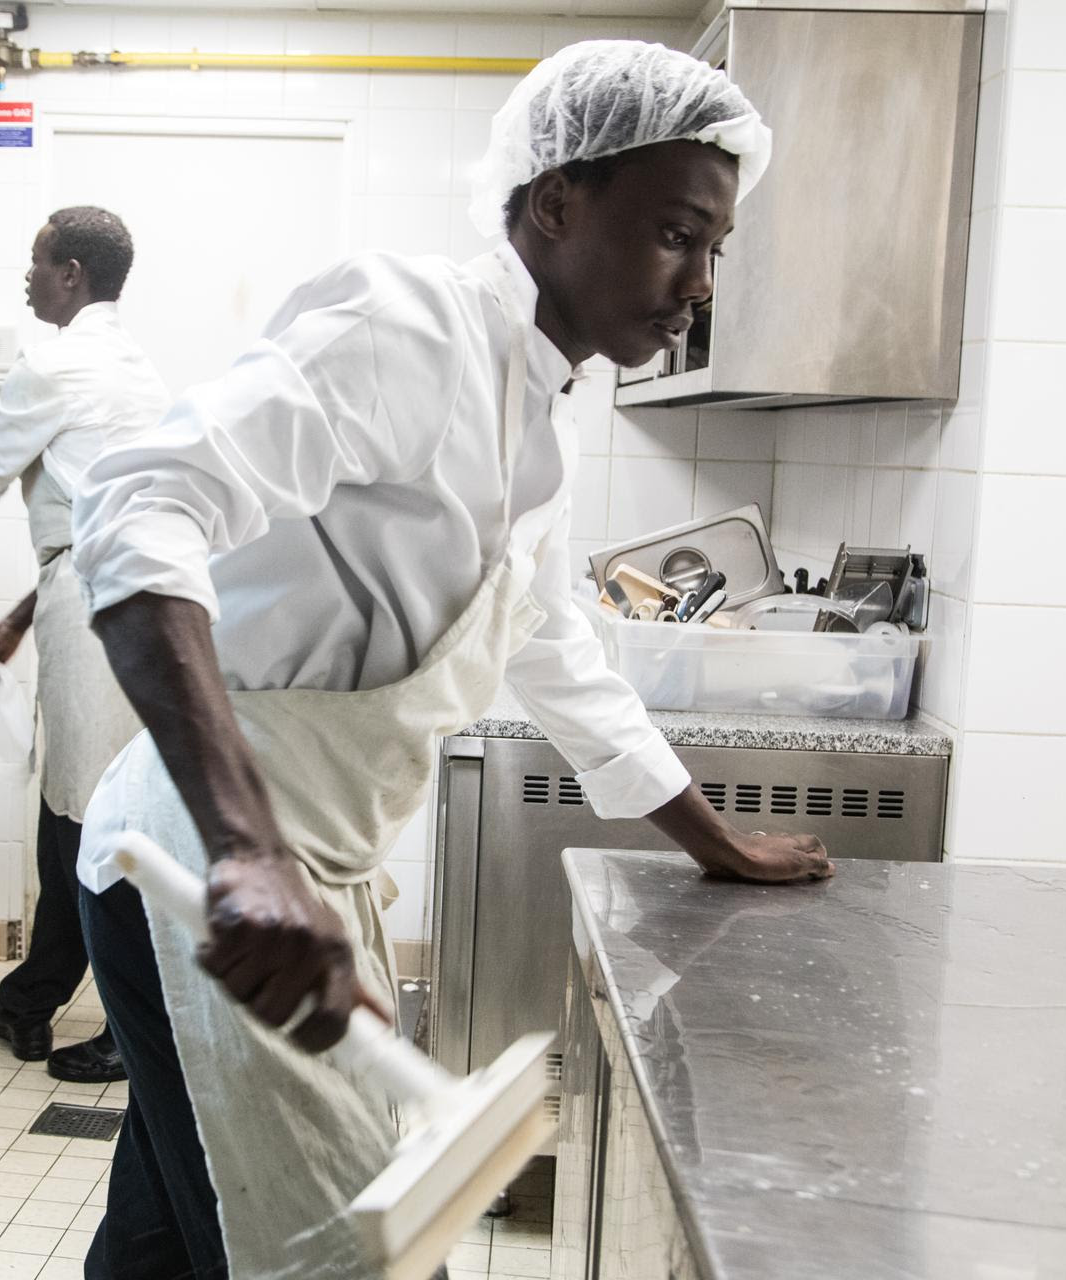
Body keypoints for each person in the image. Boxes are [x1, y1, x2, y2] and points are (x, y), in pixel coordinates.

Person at [68, 41, 833, 1279]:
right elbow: (140, 508)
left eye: (716, 250)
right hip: (207, 872)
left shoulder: (540, 414)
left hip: (303, 879)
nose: (699, 282)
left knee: (167, 1231)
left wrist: (712, 836)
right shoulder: (407, 325)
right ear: (555, 202)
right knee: (309, 1256)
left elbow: (551, 642)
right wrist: (251, 849)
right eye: (677, 234)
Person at [0, 206, 170, 1085]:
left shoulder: (53, 362)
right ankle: (30, 998)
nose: (27, 277)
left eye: (36, 262)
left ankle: (128, 1025)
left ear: (70, 272)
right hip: (143, 604)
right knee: (85, 808)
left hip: (98, 610)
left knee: (86, 819)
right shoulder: (139, 370)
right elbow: (91, 513)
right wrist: (21, 619)